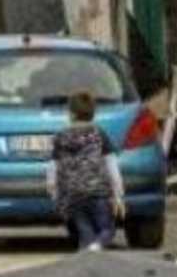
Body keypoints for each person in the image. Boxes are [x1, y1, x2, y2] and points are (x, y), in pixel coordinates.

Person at [45, 90, 125, 251]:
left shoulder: (61, 136)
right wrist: (118, 194)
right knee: (107, 230)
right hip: (98, 192)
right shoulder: (98, 133)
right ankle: (96, 247)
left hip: (73, 194)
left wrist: (53, 190)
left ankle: (87, 259)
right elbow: (111, 164)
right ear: (93, 113)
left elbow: (53, 165)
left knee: (85, 234)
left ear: (71, 114)